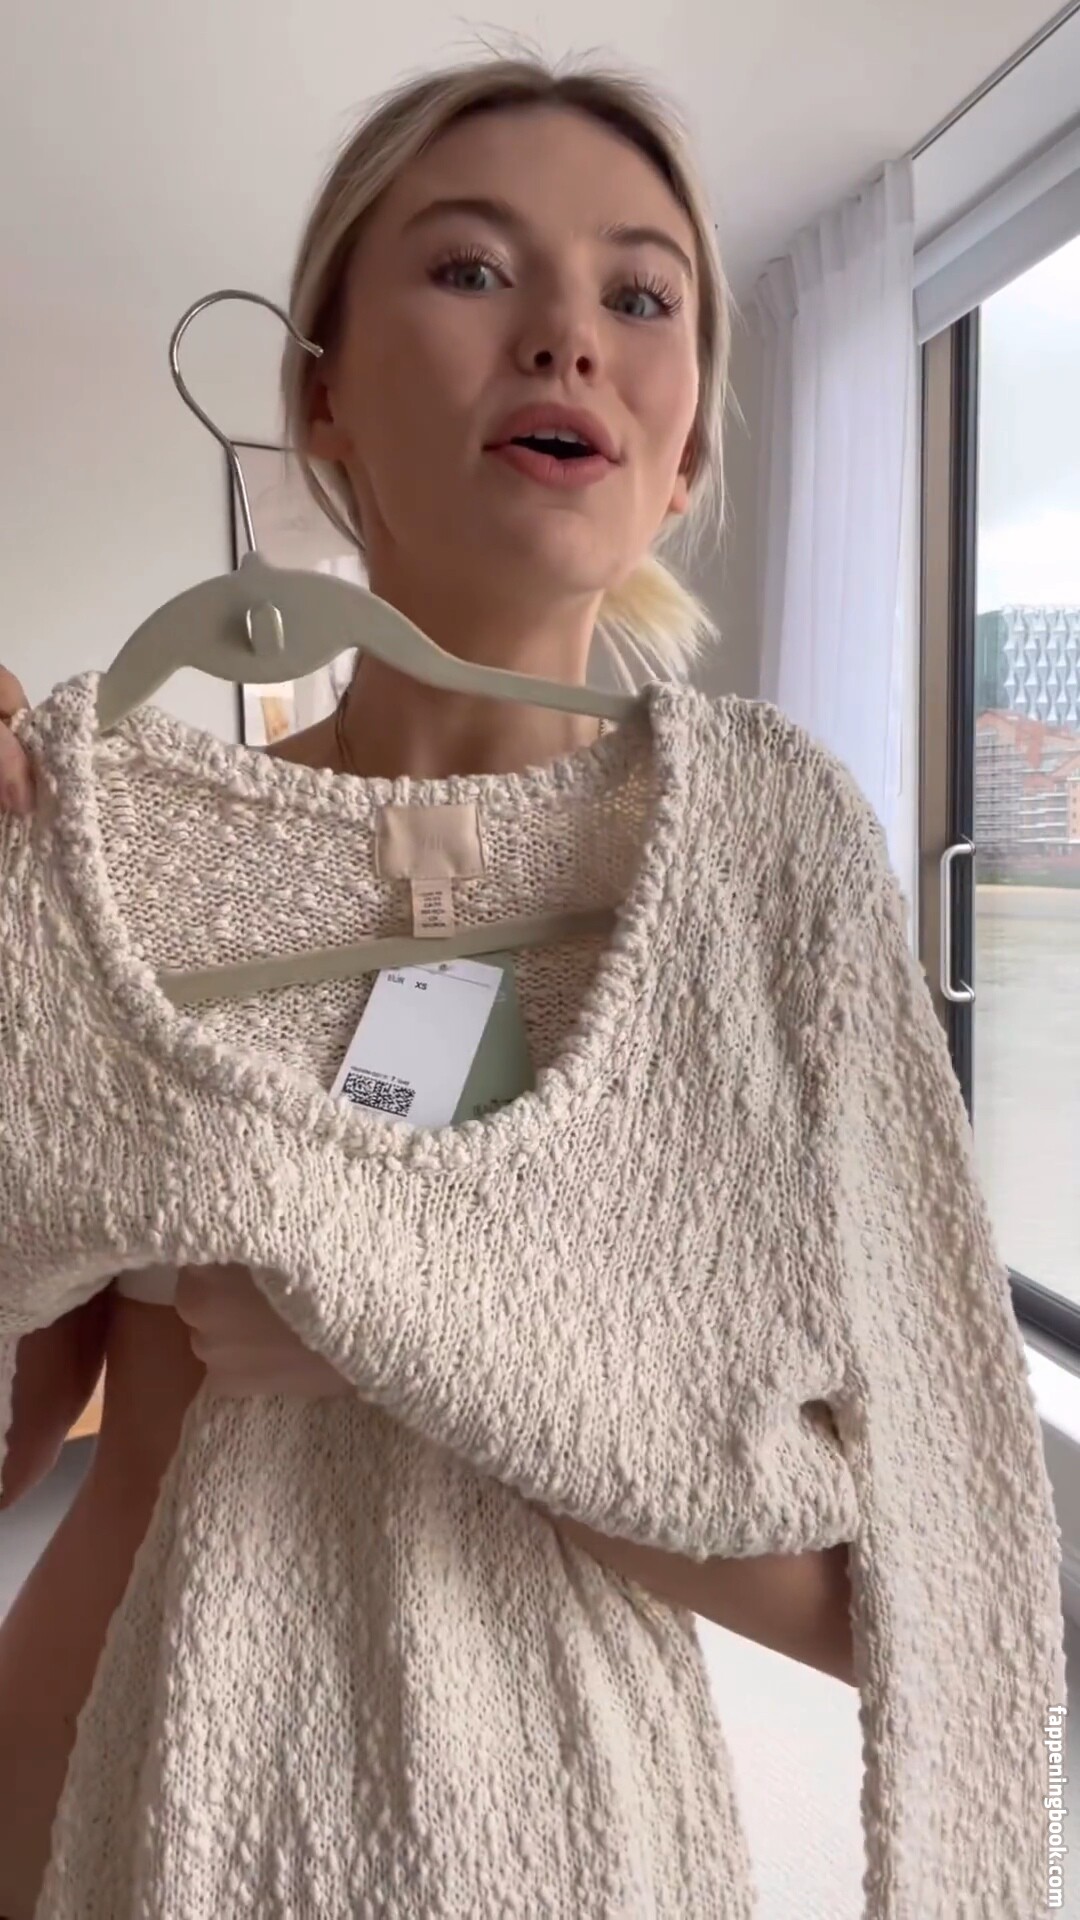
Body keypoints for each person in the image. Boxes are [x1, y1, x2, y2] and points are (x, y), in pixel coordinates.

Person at [0, 53, 857, 1920]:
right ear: (318, 391)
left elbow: (902, 1598)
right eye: (472, 267)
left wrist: (424, 1332)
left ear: (686, 450)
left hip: (576, 1843)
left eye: (641, 295)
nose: (567, 335)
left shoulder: (752, 918)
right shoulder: (106, 871)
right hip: (112, 1805)